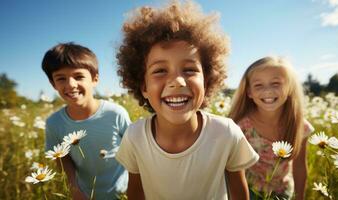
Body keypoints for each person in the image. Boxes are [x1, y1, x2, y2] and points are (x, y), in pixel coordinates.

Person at [115, 1, 259, 199]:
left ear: (207, 81)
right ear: (143, 87)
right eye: (160, 71)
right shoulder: (134, 136)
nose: (177, 81)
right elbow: (135, 191)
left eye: (190, 69)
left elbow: (239, 191)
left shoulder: (226, 132)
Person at [42, 42, 131, 199]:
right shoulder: (54, 123)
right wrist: (75, 191)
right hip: (85, 195)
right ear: (52, 84)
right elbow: (62, 160)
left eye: (79, 76)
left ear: (95, 79)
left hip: (124, 192)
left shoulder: (116, 113)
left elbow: (135, 151)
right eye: (61, 78)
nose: (71, 85)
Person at [228, 56, 314, 200]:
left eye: (275, 83)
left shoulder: (300, 127)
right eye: (258, 85)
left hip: (282, 191)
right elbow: (234, 170)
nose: (267, 91)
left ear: (289, 88)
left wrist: (300, 197)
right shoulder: (241, 127)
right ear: (249, 92)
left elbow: (299, 166)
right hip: (248, 191)